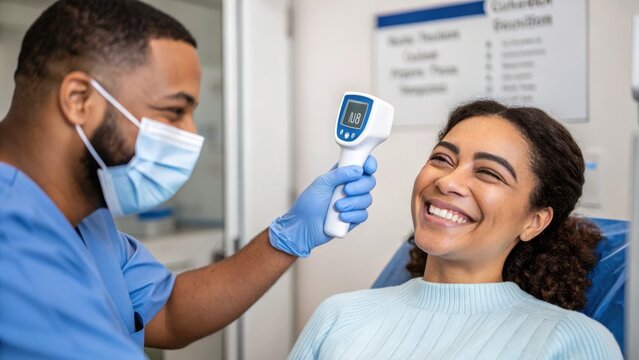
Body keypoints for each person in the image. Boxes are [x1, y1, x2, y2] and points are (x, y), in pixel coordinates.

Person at [0, 1, 378, 358]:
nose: (191, 134)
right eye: (173, 111)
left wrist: (288, 237)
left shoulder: (87, 217)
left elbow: (168, 313)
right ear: (79, 99)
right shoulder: (13, 243)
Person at [289, 100, 624, 359]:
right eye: (442, 159)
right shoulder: (339, 315)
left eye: (489, 173)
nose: (448, 181)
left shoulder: (571, 341)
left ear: (534, 221)